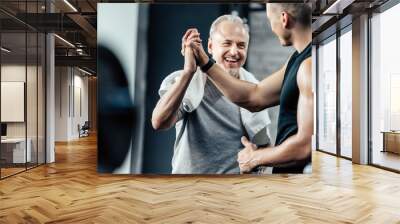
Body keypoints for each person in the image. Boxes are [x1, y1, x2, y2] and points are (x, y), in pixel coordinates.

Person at [184, 3, 313, 173]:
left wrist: (254, 158)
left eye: (269, 19)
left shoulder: (309, 65)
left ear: (284, 19)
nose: (272, 29)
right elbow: (254, 96)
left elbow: (305, 146)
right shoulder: (297, 60)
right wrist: (205, 63)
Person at [151, 15, 272, 174]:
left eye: (241, 45)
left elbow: (264, 147)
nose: (234, 52)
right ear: (210, 46)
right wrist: (188, 72)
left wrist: (257, 161)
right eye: (227, 43)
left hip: (233, 193)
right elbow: (159, 122)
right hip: (189, 190)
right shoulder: (188, 84)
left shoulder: (252, 89)